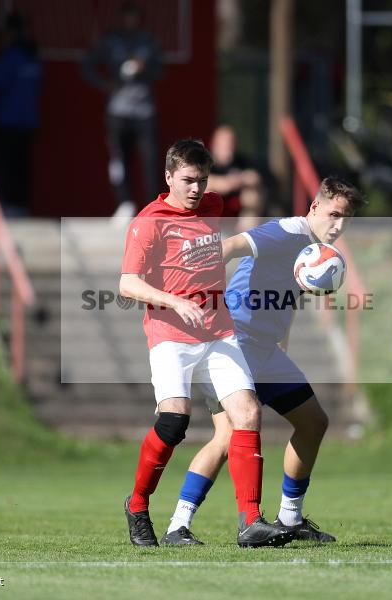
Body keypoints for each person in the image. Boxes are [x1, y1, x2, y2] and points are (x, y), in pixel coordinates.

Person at [160, 177, 366, 545]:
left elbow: (284, 301)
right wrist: (189, 287)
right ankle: (179, 525)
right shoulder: (289, 231)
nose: (338, 225)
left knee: (313, 422)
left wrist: (281, 345)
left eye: (346, 219)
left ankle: (290, 518)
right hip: (232, 342)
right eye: (334, 214)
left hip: (265, 350)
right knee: (227, 436)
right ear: (314, 207)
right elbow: (232, 246)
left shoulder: (314, 253)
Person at [119, 139, 293, 548]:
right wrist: (175, 301)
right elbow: (127, 283)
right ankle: (138, 504)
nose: (196, 189)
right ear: (168, 178)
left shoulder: (213, 206)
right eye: (187, 181)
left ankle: (251, 522)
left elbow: (246, 207)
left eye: (202, 181)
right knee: (173, 422)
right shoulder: (149, 221)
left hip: (219, 333)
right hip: (170, 337)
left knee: (248, 413)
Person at [83, 2, 162, 219]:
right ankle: (124, 203)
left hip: (145, 112)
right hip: (118, 112)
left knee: (150, 161)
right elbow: (87, 64)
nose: (131, 21)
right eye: (127, 16)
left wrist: (146, 69)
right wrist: (104, 83)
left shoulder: (149, 41)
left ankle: (152, 208)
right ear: (122, 18)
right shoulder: (111, 41)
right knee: (119, 160)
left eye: (135, 17)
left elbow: (160, 71)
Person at [0, 12, 43, 215]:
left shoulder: (11, 56)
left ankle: (9, 206)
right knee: (22, 166)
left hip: (8, 121)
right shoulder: (33, 56)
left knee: (8, 166)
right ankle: (21, 206)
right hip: (27, 121)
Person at [207, 125, 266, 228]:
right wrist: (227, 182)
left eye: (231, 141)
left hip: (238, 215)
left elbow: (254, 177)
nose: (228, 145)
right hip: (214, 214)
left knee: (252, 193)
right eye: (224, 142)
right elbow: (205, 181)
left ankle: (247, 235)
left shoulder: (241, 161)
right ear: (215, 144)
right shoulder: (206, 162)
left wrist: (239, 179)